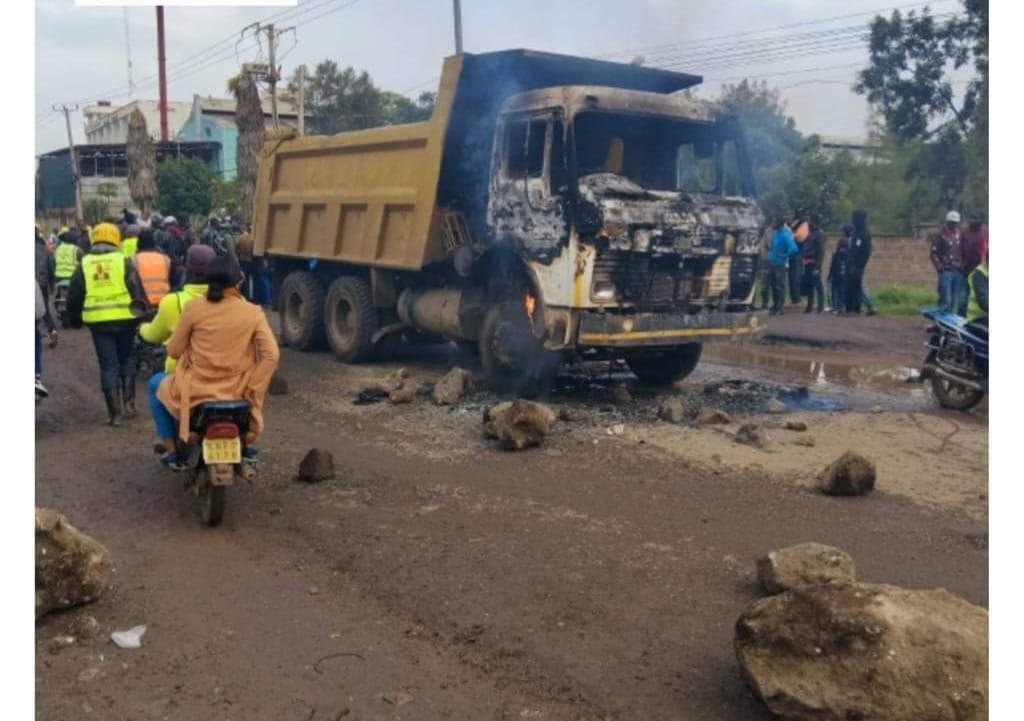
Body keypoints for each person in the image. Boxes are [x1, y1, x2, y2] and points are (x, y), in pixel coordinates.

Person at [151, 256, 279, 468]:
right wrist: (254, 386)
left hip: (195, 392)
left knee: (155, 383)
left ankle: (172, 451)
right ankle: (244, 447)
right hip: (238, 392)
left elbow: (174, 351)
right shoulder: (253, 312)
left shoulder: (193, 308)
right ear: (239, 282)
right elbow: (272, 355)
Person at [66, 222, 146, 426]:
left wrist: (73, 320)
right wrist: (141, 314)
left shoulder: (84, 263)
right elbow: (136, 289)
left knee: (108, 365)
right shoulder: (124, 261)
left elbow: (74, 296)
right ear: (115, 239)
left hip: (99, 323)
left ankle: (115, 414)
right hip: (125, 320)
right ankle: (129, 404)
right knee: (127, 358)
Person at [929, 210, 966, 314]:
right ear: (947, 222)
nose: (954, 224)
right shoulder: (940, 235)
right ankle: (940, 324)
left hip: (958, 272)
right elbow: (933, 253)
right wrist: (940, 267)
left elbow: (964, 251)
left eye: (956, 222)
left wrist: (962, 265)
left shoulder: (961, 234)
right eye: (952, 222)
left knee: (955, 300)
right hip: (946, 272)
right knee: (946, 300)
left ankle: (950, 326)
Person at [767, 217, 799, 316]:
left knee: (779, 286)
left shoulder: (785, 235)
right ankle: (775, 305)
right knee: (773, 285)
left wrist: (785, 255)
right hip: (772, 262)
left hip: (780, 264)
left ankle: (780, 307)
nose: (773, 224)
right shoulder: (775, 233)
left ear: (779, 224)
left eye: (775, 222)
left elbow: (794, 248)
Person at [847, 209, 876, 315]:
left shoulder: (864, 232)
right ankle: (852, 307)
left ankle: (858, 308)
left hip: (859, 264)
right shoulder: (856, 231)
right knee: (854, 285)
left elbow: (866, 251)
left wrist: (860, 264)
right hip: (852, 262)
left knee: (858, 286)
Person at [133, 228, 172, 307]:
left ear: (138, 243)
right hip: (164, 302)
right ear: (154, 243)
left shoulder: (133, 260)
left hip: (142, 304)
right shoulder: (166, 259)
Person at [961, 210, 988, 316]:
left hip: (981, 271)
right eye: (972, 218)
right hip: (965, 271)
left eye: (976, 219)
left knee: (981, 297)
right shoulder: (964, 232)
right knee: (963, 299)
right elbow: (959, 249)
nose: (974, 221)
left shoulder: (985, 233)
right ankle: (960, 321)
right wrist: (961, 264)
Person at [35, 225, 58, 345]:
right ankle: (52, 330)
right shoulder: (44, 248)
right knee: (44, 310)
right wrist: (51, 283)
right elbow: (50, 267)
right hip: (42, 283)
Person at [800, 217, 825, 313]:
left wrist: (818, 266)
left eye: (809, 221)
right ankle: (809, 307)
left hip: (814, 263)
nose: (808, 223)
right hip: (807, 262)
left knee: (818, 285)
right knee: (809, 286)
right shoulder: (810, 233)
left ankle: (820, 307)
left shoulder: (819, 234)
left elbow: (821, 251)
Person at [828, 227, 852, 315]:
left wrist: (829, 275)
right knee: (842, 292)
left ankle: (835, 307)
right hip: (844, 276)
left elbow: (832, 266)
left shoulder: (835, 255)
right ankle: (841, 307)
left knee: (835, 292)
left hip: (836, 276)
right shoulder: (849, 255)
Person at [789, 210, 810, 305]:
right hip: (794, 251)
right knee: (793, 276)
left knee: (796, 276)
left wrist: (792, 235)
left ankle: (796, 298)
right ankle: (795, 298)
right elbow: (799, 236)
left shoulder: (803, 224)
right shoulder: (796, 223)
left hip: (797, 250)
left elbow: (801, 236)